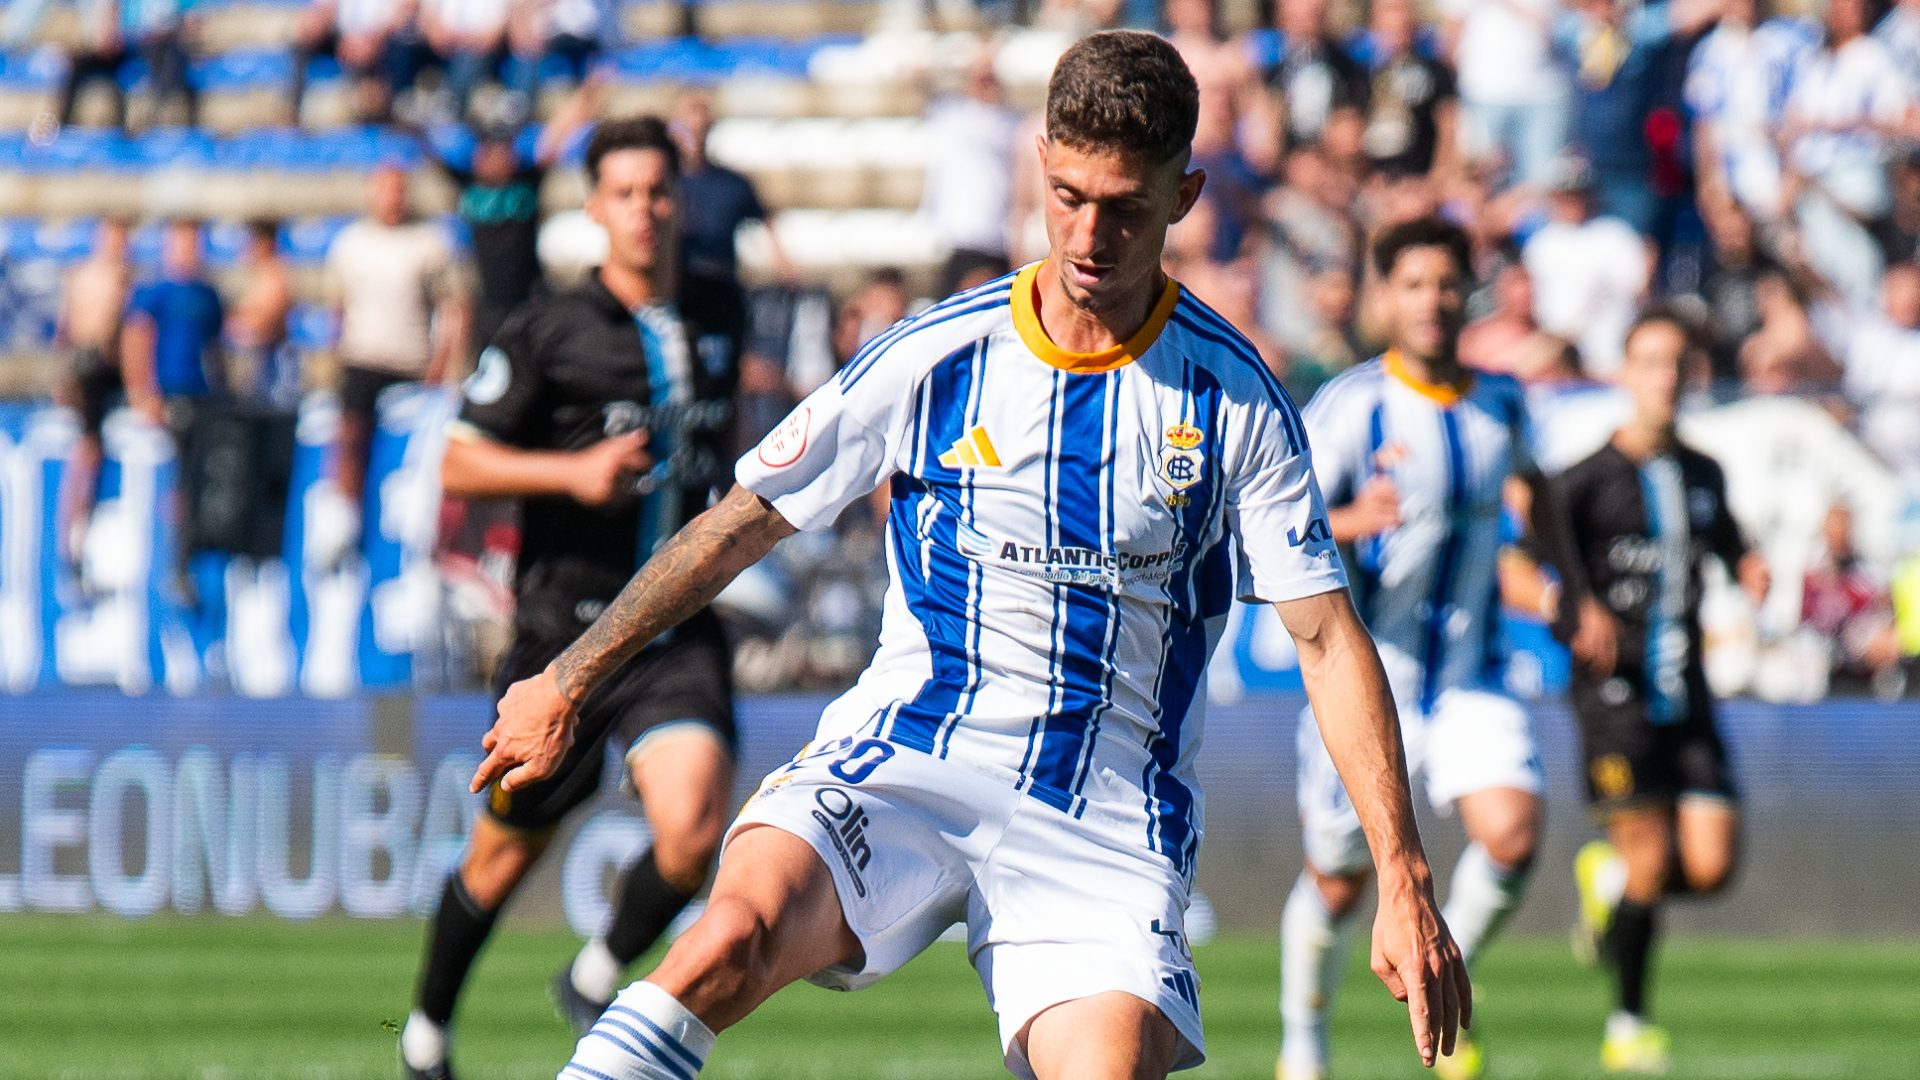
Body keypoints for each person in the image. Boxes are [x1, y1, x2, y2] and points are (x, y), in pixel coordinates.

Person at [473, 31, 1470, 1080]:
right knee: (727, 941)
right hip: (909, 756)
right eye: (1069, 196)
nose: (1090, 236)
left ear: (1184, 196)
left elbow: (1325, 638)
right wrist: (568, 679)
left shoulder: (1234, 398)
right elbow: (742, 522)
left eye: (1126, 208)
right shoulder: (936, 355)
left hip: (1103, 817)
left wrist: (1403, 875)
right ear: (1039, 164)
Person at [398, 116, 741, 1080]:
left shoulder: (720, 305)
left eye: (659, 190)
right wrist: (572, 472)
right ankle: (426, 1031)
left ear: (680, 200)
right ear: (594, 207)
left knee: (693, 834)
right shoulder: (548, 328)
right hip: (562, 636)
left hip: (675, 632)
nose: (644, 210)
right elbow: (459, 462)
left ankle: (594, 974)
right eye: (624, 192)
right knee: (502, 856)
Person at [1277, 218, 1567, 1080]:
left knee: (1512, 832)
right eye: (1412, 284)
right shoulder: (1351, 406)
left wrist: (1569, 589)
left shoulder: (1501, 403)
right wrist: (1354, 519)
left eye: (1446, 283)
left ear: (1467, 294)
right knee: (1337, 881)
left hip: (1473, 673)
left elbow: (1540, 493)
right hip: (1371, 679)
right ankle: (1304, 1042)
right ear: (1385, 297)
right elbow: (1279, 522)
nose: (1431, 301)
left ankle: (1439, 976)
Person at [1546, 308, 1766, 1075]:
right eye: (1650, 363)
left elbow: (1729, 543)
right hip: (1614, 695)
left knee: (1709, 867)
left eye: (1678, 365)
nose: (1665, 379)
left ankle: (1608, 882)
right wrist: (1574, 609)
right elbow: (1528, 568)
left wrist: (1750, 568)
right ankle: (1628, 1026)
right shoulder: (1582, 482)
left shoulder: (1703, 473)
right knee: (1647, 855)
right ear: (1625, 374)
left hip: (1687, 692)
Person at [417, 72, 605, 354]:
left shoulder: (527, 179)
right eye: (490, 149)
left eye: (504, 148)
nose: (499, 155)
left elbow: (558, 135)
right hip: (487, 304)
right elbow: (423, 143)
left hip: (529, 299)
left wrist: (588, 92)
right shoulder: (467, 183)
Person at [323, 163, 469, 510]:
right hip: (362, 358)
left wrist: (442, 365)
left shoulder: (429, 242)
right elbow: (337, 309)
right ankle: (343, 513)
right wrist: (334, 356)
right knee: (349, 437)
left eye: (398, 189)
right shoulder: (351, 242)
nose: (392, 197)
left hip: (412, 362)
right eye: (385, 189)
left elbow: (453, 307)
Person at [671, 91, 795, 363]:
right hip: (677, 288)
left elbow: (765, 219)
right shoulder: (665, 183)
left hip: (722, 288)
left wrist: (784, 265)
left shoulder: (730, 183)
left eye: (702, 126)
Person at [53, 216, 133, 566]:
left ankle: (90, 532)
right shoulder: (87, 276)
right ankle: (73, 533)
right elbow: (66, 329)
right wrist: (63, 376)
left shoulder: (124, 278)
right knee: (87, 449)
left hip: (110, 369)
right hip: (90, 366)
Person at [122, 218, 225, 424]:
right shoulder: (152, 290)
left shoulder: (208, 294)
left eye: (193, 242)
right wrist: (141, 393)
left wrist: (220, 389)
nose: (188, 248)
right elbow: (135, 342)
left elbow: (214, 345)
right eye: (182, 241)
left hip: (200, 392)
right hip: (163, 392)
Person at [225, 220, 300, 410]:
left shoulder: (276, 277)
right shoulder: (258, 277)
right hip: (260, 366)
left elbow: (266, 323)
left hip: (273, 367)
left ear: (265, 243)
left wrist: (240, 319)